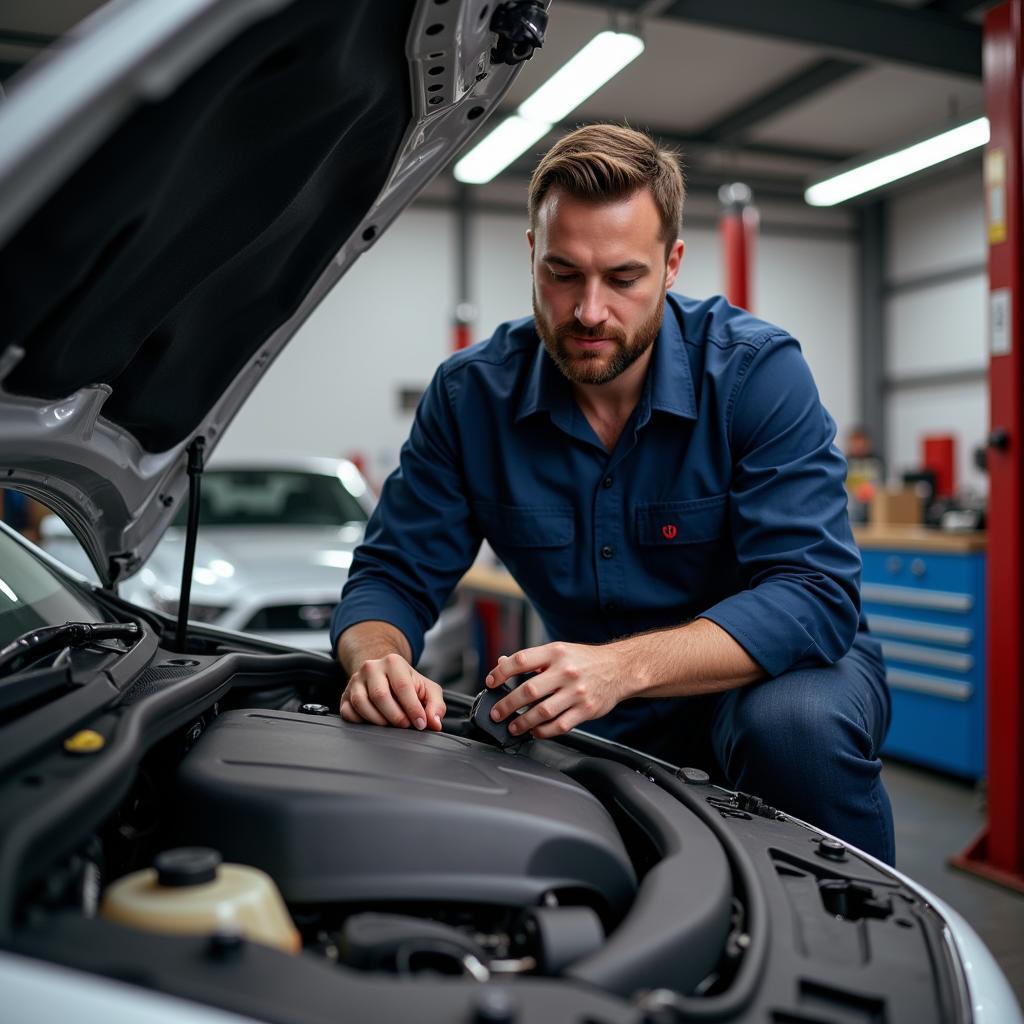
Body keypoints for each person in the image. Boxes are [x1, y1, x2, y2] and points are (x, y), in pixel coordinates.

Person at [331, 124, 893, 863]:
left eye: (623, 278)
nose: (589, 311)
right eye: (563, 274)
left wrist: (621, 668)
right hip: (601, 696)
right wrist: (377, 659)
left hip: (776, 675)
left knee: (794, 728)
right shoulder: (471, 397)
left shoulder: (757, 373)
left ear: (671, 265)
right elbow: (391, 574)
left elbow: (814, 593)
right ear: (532, 256)